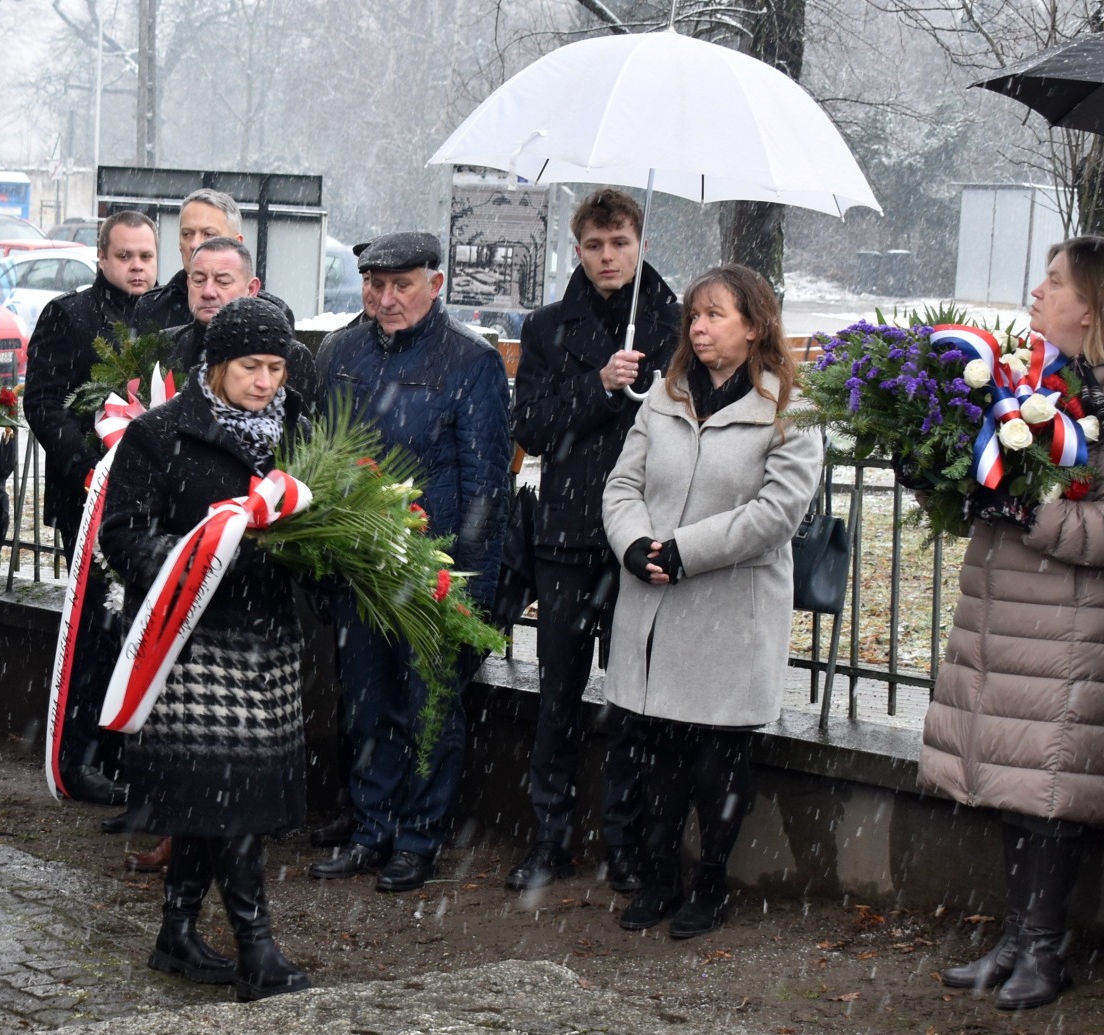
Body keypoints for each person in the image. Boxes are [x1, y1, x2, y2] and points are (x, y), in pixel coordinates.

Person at [922, 235, 1104, 1010]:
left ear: (1096, 304)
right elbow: (986, 488)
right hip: (1016, 621)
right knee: (1019, 793)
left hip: (1074, 633)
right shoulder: (1035, 381)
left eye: (1055, 283)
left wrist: (1021, 506)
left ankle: (1045, 953)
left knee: (1049, 797)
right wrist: (948, 473)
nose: (1037, 294)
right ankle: (1015, 941)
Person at [100, 297, 312, 1001]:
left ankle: (177, 932)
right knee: (231, 794)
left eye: (276, 367)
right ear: (215, 365)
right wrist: (206, 559)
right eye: (250, 366)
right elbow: (122, 536)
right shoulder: (160, 436)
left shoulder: (297, 437)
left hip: (267, 642)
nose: (265, 382)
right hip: (187, 642)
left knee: (212, 794)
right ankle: (255, 947)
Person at [601, 264, 821, 939]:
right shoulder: (663, 398)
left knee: (715, 762)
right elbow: (621, 485)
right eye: (694, 315)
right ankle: (660, 878)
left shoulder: (789, 409)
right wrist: (635, 544)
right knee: (659, 758)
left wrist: (686, 549)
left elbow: (777, 512)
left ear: (754, 326)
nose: (698, 327)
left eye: (716, 314)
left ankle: (710, 885)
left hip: (729, 609)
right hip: (657, 602)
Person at [311, 232, 512, 893]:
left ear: (437, 283)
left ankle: (419, 837)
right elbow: (320, 449)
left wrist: (469, 581)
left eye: (401, 285)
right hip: (358, 564)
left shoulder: (470, 362)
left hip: (435, 569)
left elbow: (486, 482)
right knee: (366, 706)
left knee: (428, 706)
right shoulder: (340, 351)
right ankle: (371, 830)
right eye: (374, 284)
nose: (386, 298)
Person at [506, 189, 681, 894]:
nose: (609, 258)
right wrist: (600, 385)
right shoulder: (549, 328)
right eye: (595, 246)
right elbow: (535, 427)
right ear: (576, 250)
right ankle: (550, 839)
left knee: (637, 700)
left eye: (620, 243)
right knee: (559, 698)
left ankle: (626, 842)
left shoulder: (673, 321)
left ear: (639, 243)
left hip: (642, 538)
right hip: (569, 539)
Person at [22, 210, 158, 809]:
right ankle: (79, 755)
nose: (136, 267)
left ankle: (125, 752)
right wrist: (93, 464)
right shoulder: (67, 315)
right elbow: (44, 404)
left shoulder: (167, 319)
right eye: (124, 256)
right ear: (102, 257)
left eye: (145, 257)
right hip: (90, 495)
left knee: (140, 629)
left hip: (151, 505)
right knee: (95, 630)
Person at [135, 188, 296, 332]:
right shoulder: (153, 307)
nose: (194, 244)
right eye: (187, 234)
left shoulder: (273, 314)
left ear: (237, 243)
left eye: (209, 234)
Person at [162, 236, 315, 385]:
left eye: (223, 282)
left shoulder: (290, 356)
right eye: (199, 281)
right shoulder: (163, 346)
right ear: (188, 283)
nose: (208, 292)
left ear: (251, 289)